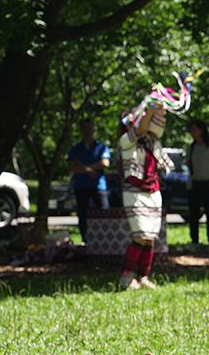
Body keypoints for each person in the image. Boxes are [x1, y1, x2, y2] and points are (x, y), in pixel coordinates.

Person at [118, 104, 168, 290]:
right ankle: (127, 276)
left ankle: (143, 276)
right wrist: (150, 109)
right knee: (140, 235)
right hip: (134, 192)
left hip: (153, 191)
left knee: (150, 238)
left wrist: (160, 106)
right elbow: (139, 128)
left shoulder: (152, 141)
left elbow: (156, 124)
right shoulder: (126, 140)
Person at [67, 117, 111, 240]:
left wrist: (84, 167)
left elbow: (105, 163)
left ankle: (104, 239)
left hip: (99, 187)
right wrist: (89, 170)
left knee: (103, 214)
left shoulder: (101, 147)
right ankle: (85, 240)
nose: (87, 130)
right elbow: (71, 168)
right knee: (83, 215)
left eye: (90, 127)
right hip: (81, 186)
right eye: (85, 128)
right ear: (81, 130)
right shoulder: (75, 149)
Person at [186, 119, 209, 250]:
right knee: (193, 214)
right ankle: (194, 241)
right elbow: (190, 165)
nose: (192, 132)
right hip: (195, 184)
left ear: (201, 130)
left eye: (195, 129)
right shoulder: (191, 148)